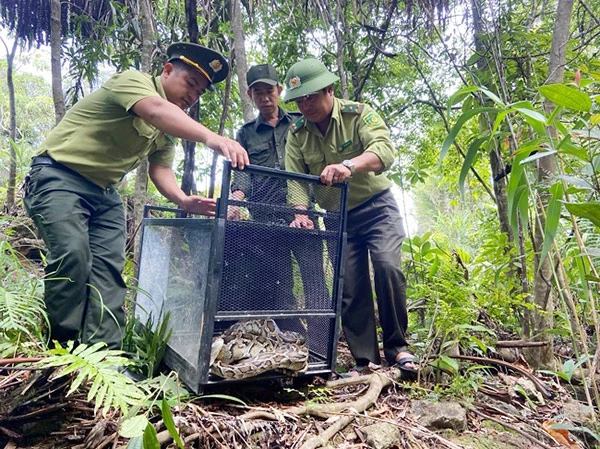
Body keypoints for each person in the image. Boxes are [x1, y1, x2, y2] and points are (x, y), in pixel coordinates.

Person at [24, 42, 249, 351]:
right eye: (190, 84)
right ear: (167, 70)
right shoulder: (133, 81)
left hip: (104, 195)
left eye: (199, 93)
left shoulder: (166, 134)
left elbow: (161, 171)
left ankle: (105, 357)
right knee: (72, 256)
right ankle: (62, 351)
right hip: (59, 176)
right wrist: (213, 137)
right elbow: (155, 110)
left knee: (109, 273)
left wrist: (182, 200)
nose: (192, 96)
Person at [282, 58, 418, 379]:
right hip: (337, 217)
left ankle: (398, 347)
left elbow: (383, 150)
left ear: (329, 90)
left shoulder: (359, 114)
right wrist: (301, 213)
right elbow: (296, 178)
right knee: (350, 285)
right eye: (299, 100)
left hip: (377, 207)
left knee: (387, 266)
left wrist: (349, 165)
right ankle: (364, 359)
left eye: (311, 97)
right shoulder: (297, 133)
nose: (305, 105)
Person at [225, 64, 328, 313]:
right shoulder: (246, 134)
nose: (265, 97)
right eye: (257, 92)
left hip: (303, 215)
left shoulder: (300, 123)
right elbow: (242, 173)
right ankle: (289, 338)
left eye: (269, 90)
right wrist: (236, 200)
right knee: (279, 284)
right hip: (265, 218)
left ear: (279, 90)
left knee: (315, 280)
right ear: (250, 95)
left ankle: (321, 339)